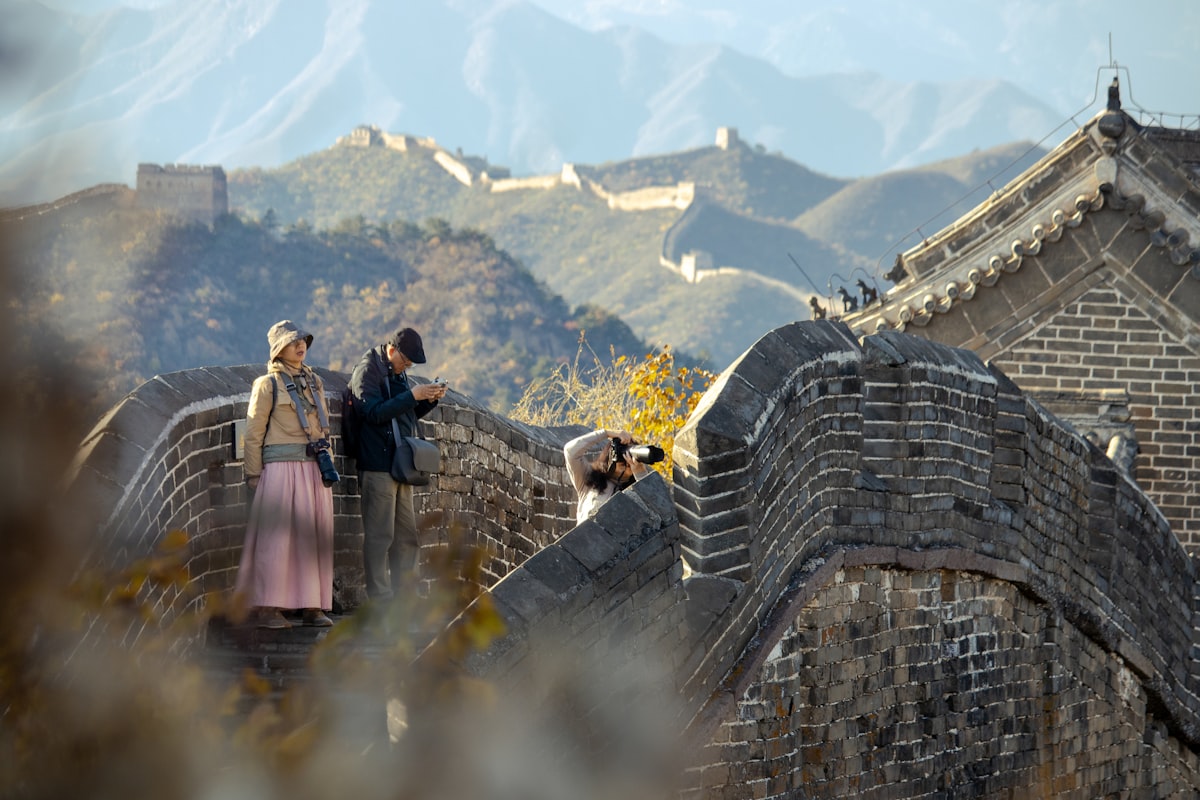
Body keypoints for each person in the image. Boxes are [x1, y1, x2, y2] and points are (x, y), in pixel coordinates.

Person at [234, 320, 336, 629]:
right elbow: (253, 433)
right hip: (280, 469)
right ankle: (268, 607)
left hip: (313, 468)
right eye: (294, 342)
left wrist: (327, 465)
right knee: (277, 540)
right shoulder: (267, 385)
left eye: (303, 340)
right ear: (280, 349)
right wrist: (253, 474)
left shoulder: (314, 382)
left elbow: (324, 426)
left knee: (314, 536)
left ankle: (312, 606)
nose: (301, 346)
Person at [348, 326, 447, 601]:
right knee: (380, 536)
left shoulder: (397, 372)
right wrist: (412, 395)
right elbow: (372, 412)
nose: (407, 367)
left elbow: (407, 414)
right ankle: (379, 597)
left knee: (407, 536)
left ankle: (407, 596)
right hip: (377, 463)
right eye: (405, 361)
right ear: (392, 350)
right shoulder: (368, 369)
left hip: (401, 462)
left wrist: (428, 400)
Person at [564, 427, 651, 525]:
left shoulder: (636, 490)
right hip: (586, 539)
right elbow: (570, 451)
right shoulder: (588, 480)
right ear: (609, 456)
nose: (626, 459)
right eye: (621, 454)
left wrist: (640, 473)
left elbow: (652, 511)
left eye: (629, 455)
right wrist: (606, 433)